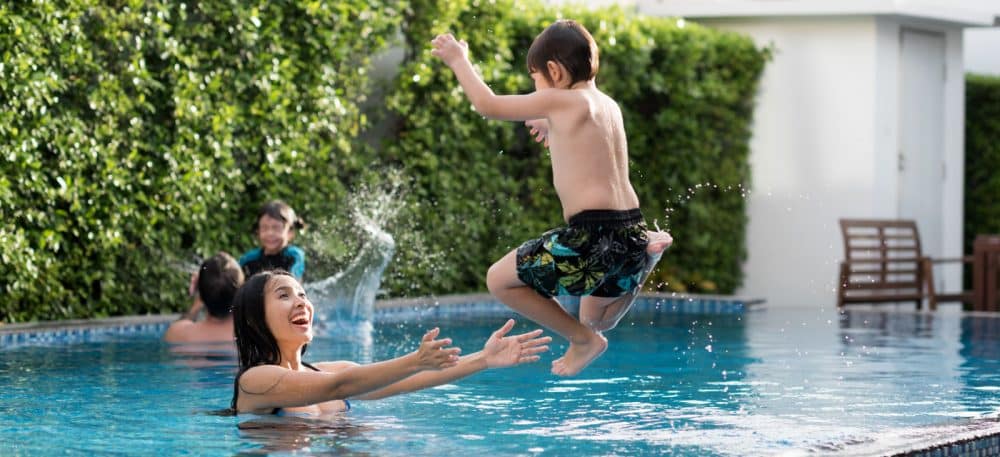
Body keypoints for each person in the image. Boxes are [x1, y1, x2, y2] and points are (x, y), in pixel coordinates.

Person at [431, 19, 673, 377]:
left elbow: (487, 104)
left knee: (499, 280)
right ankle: (645, 256)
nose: (536, 88)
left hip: (592, 234)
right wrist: (551, 126)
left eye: (535, 78)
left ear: (555, 71)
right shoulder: (608, 105)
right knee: (595, 318)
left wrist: (458, 59)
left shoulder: (561, 101)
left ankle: (582, 340)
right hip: (628, 229)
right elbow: (592, 147)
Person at [231, 270, 551, 415]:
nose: (301, 302)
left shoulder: (330, 370)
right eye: (284, 296)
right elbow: (338, 387)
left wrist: (483, 359)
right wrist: (415, 358)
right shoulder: (255, 380)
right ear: (253, 318)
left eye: (302, 293)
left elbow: (408, 381)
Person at [164, 252, 244, 344]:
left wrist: (198, 299)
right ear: (240, 293)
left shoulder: (177, 334)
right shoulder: (251, 337)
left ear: (199, 290)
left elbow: (180, 325)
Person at [240, 200, 307, 280]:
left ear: (290, 232)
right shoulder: (248, 259)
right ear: (258, 231)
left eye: (276, 228)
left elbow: (293, 283)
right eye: (264, 228)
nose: (270, 233)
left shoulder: (294, 256)